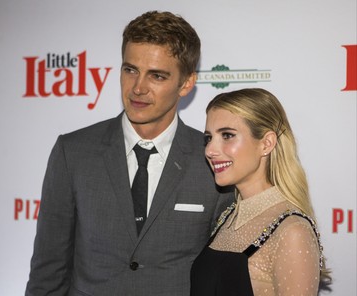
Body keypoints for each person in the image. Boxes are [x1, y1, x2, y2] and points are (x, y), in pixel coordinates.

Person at [25, 10, 233, 296]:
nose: (138, 88)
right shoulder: (73, 152)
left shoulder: (212, 160)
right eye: (130, 70)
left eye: (157, 76)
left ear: (186, 83)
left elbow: (223, 277)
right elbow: (48, 271)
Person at [190, 88, 331, 296]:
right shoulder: (228, 217)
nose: (210, 150)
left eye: (227, 135)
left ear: (266, 143)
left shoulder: (292, 231)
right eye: (209, 138)